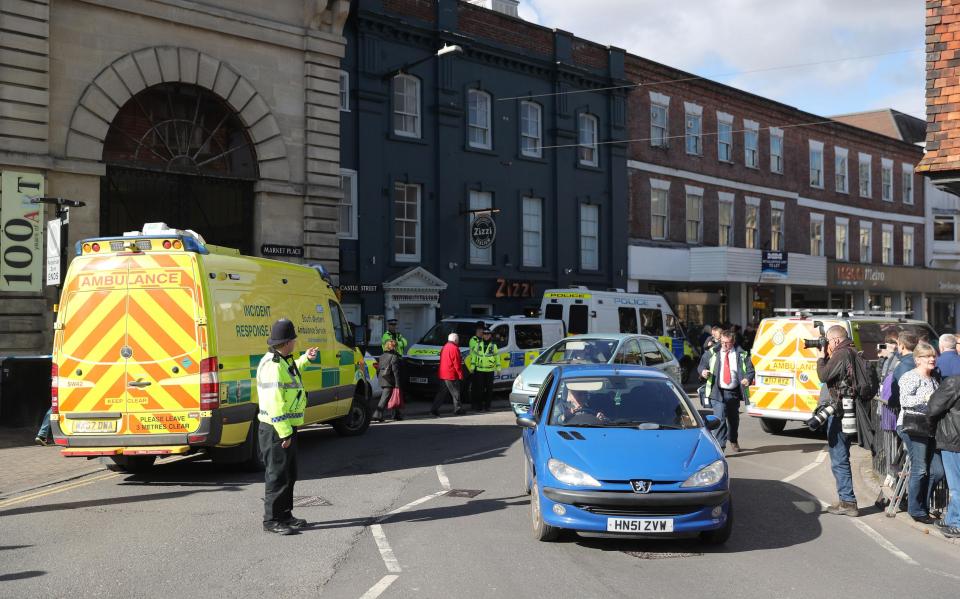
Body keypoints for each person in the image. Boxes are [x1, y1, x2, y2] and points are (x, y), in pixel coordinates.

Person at [257, 318, 318, 535]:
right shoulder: (273, 366)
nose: (295, 342)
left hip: (285, 427)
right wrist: (285, 433)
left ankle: (285, 514)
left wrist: (305, 359)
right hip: (276, 429)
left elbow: (291, 375)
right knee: (277, 476)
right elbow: (275, 403)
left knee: (289, 475)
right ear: (286, 342)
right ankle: (271, 520)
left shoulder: (282, 360)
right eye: (293, 339)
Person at [896, 342, 946, 524]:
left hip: (929, 429)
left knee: (937, 471)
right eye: (927, 356)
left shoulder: (933, 378)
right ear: (918, 360)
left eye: (933, 355)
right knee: (920, 468)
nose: (932, 359)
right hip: (912, 426)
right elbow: (904, 400)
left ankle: (922, 505)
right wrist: (925, 397)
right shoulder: (910, 376)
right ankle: (916, 510)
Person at [816, 325, 860, 517]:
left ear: (834, 341)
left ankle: (848, 502)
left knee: (839, 457)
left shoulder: (841, 354)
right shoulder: (853, 351)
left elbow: (824, 376)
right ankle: (846, 499)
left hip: (840, 412)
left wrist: (820, 357)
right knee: (842, 456)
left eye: (827, 342)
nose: (827, 345)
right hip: (850, 410)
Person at [699, 330, 754, 453]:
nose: (724, 345)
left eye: (727, 343)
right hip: (717, 391)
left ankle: (733, 439)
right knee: (720, 419)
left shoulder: (742, 354)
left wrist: (747, 379)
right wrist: (703, 371)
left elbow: (750, 370)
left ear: (733, 342)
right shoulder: (713, 352)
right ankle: (720, 447)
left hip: (733, 392)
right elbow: (702, 365)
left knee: (733, 420)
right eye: (723, 342)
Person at [927, 371, 960, 538]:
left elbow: (932, 408)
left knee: (956, 486)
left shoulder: (954, 382)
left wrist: (932, 430)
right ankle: (950, 518)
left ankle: (957, 523)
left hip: (954, 440)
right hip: (954, 439)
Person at [431, 333, 465, 416]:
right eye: (458, 339)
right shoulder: (455, 348)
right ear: (455, 340)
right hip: (451, 374)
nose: (458, 341)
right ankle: (458, 409)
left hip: (443, 374)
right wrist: (460, 374)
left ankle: (434, 409)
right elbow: (457, 363)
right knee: (456, 392)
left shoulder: (445, 347)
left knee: (441, 393)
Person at [470, 327, 501, 412]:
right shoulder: (478, 344)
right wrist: (472, 367)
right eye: (485, 334)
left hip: (490, 370)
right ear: (483, 335)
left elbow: (497, 357)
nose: (486, 336)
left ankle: (487, 406)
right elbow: (474, 357)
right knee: (479, 389)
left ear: (490, 335)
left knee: (489, 389)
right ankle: (479, 406)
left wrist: (498, 368)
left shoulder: (493, 346)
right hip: (479, 370)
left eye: (488, 334)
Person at [373, 339, 402, 422]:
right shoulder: (394, 356)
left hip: (382, 378)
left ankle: (397, 414)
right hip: (390, 380)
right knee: (384, 399)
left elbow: (378, 369)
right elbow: (395, 371)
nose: (396, 348)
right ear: (393, 347)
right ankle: (377, 415)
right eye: (395, 346)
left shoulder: (382, 356)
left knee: (393, 397)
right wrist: (397, 384)